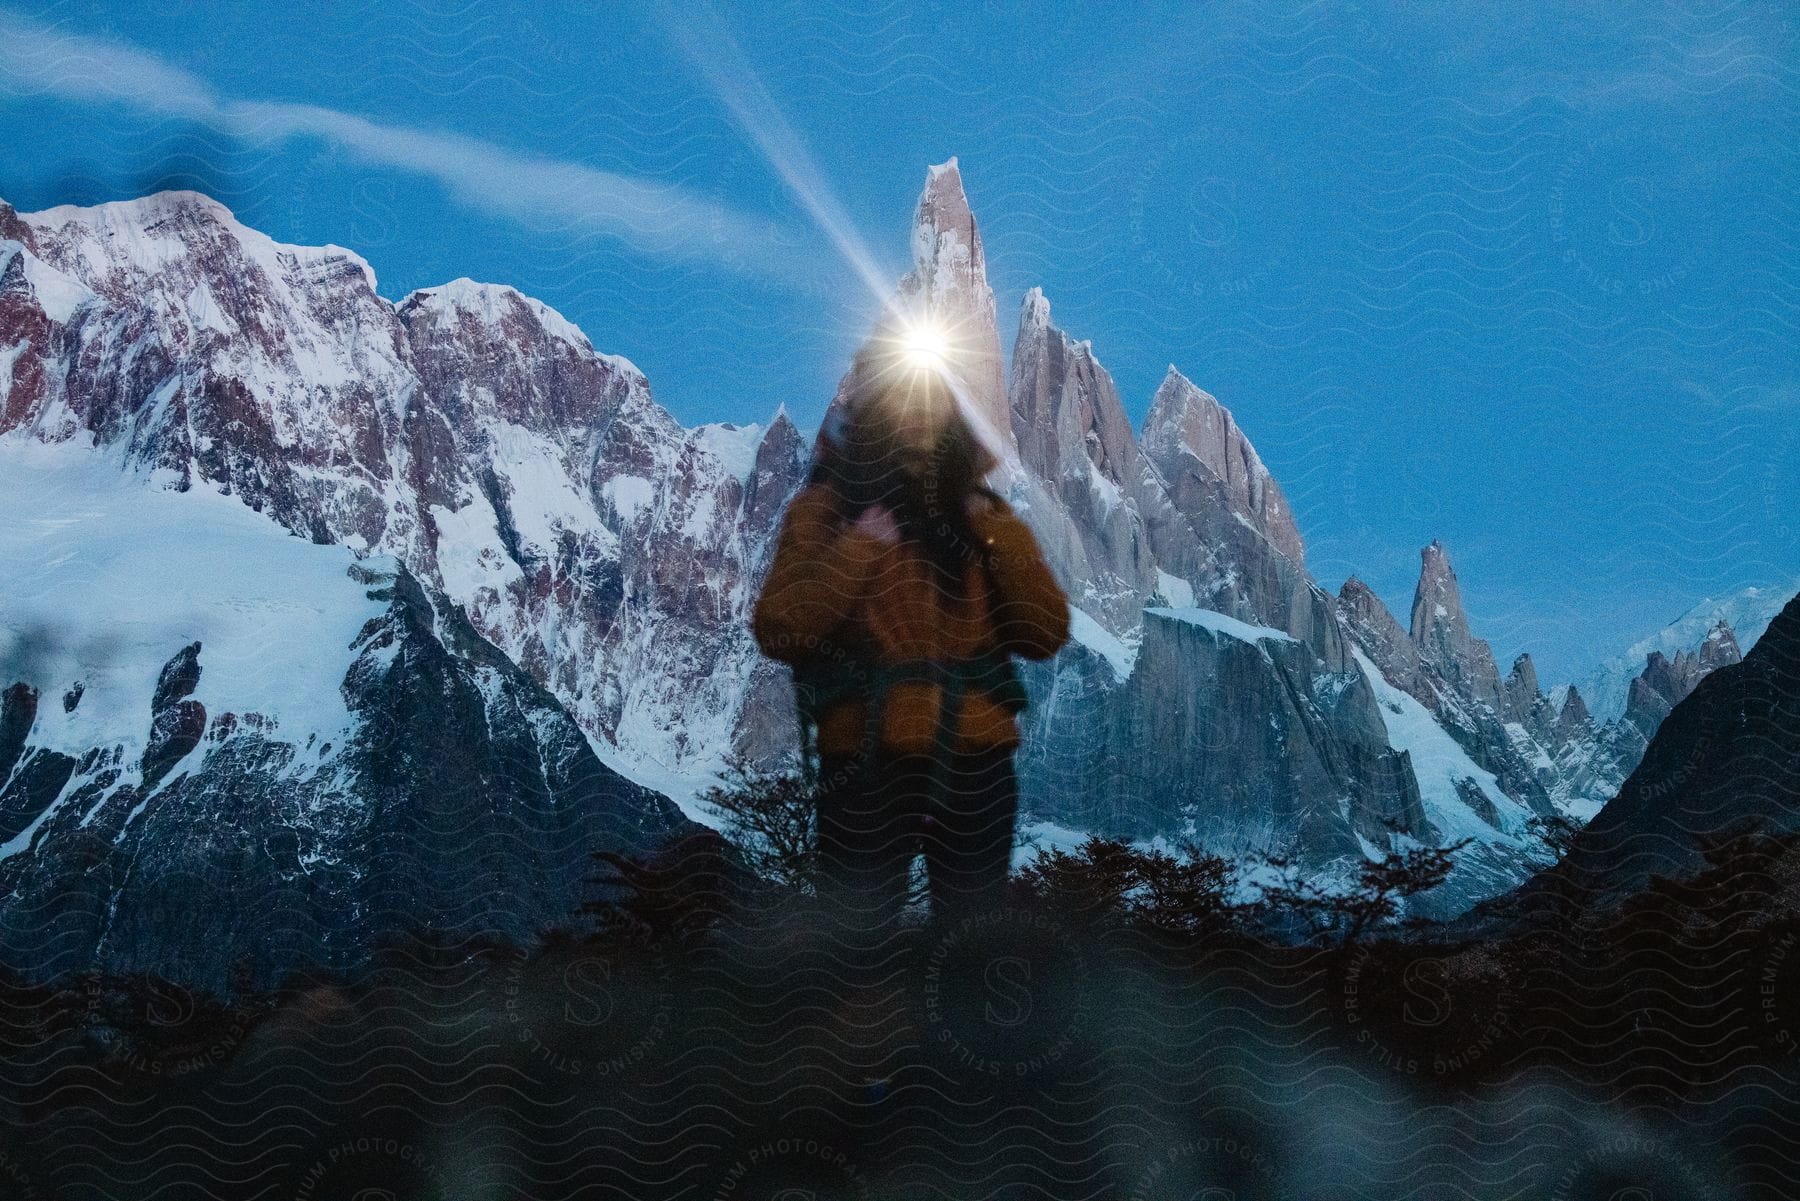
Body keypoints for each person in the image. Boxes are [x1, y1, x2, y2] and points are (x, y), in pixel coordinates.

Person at [750, 338, 1071, 948]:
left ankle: (962, 1039)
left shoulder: (983, 515)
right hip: (867, 759)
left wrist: (994, 534)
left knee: (973, 947)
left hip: (973, 760)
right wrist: (862, 546)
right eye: (901, 398)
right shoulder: (824, 513)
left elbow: (1044, 630)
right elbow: (782, 627)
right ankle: (860, 1040)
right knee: (855, 944)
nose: (918, 414)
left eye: (929, 397)